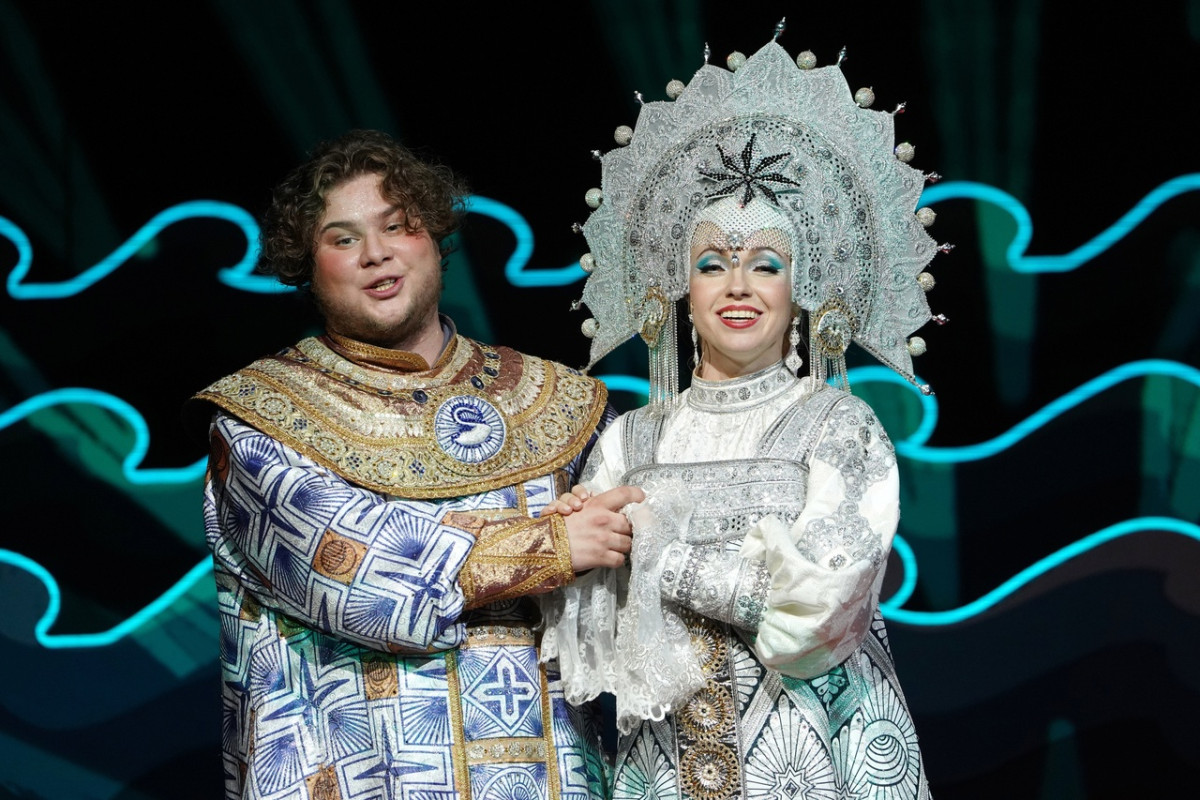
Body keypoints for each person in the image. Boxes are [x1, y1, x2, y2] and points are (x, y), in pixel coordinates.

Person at [188, 129, 642, 800]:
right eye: (343, 239)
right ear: (307, 266)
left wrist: (605, 531)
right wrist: (550, 546)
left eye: (396, 226)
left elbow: (632, 593)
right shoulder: (264, 420)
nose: (376, 253)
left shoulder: (560, 402)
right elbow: (359, 577)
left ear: (433, 235)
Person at [541, 34, 939, 799]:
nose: (738, 286)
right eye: (712, 264)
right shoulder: (630, 440)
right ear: (683, 292)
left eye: (765, 265)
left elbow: (816, 611)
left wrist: (657, 553)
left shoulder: (839, 428)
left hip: (813, 758)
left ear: (799, 290)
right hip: (666, 762)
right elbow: (585, 634)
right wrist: (571, 551)